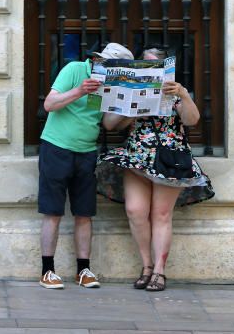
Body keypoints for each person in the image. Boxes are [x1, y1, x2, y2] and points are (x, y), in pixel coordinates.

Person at [97, 47, 213, 292]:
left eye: (153, 64)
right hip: (137, 155)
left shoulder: (176, 91)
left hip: (169, 157)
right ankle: (146, 266)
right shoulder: (130, 88)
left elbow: (192, 120)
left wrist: (183, 94)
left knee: (161, 215)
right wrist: (135, 105)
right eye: (144, 63)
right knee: (135, 211)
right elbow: (109, 124)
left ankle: (159, 272)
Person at [38, 41, 134, 289]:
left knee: (84, 213)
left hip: (87, 151)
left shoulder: (112, 85)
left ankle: (84, 270)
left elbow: (110, 124)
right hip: (56, 147)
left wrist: (133, 109)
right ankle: (47, 271)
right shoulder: (74, 69)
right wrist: (80, 91)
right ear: (97, 60)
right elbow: (50, 104)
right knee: (53, 211)